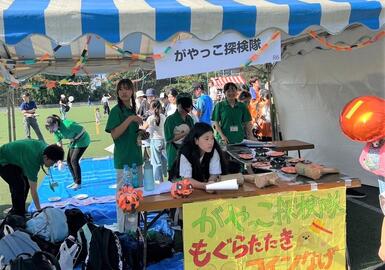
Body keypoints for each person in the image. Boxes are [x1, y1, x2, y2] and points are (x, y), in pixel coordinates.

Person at [105, 78, 144, 233]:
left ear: (132, 91)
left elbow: (129, 134)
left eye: (127, 88)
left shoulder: (131, 109)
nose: (124, 92)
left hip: (136, 159)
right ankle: (123, 233)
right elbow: (115, 135)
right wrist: (130, 119)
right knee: (124, 199)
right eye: (121, 89)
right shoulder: (117, 111)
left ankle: (133, 231)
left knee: (135, 198)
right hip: (124, 162)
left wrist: (141, 134)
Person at [0, 139, 64, 216]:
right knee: (18, 185)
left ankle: (18, 209)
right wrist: (39, 210)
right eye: (53, 162)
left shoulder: (47, 149)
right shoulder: (33, 160)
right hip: (3, 160)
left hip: (16, 159)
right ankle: (17, 214)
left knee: (25, 183)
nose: (53, 165)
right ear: (45, 157)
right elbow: (33, 191)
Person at [172, 123, 227, 190]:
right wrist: (204, 186)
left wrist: (211, 181)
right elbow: (186, 179)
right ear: (196, 141)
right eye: (206, 139)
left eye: (212, 138)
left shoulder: (213, 151)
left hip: (204, 185)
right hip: (185, 188)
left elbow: (214, 173)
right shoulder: (186, 153)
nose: (210, 142)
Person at [45, 115, 91, 190]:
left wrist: (75, 138)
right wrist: (59, 159)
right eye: (49, 128)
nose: (51, 129)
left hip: (83, 140)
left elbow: (82, 129)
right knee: (69, 161)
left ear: (56, 123)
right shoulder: (56, 132)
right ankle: (75, 181)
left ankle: (78, 183)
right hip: (74, 142)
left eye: (51, 127)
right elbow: (59, 145)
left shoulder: (68, 126)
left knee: (74, 160)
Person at [164, 94, 195, 177]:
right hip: (174, 154)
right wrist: (185, 133)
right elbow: (169, 139)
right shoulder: (170, 120)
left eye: (189, 107)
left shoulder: (190, 119)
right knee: (175, 181)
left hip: (187, 153)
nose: (189, 109)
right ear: (179, 106)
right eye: (187, 107)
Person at [144, 100, 167, 182]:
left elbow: (144, 128)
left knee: (156, 163)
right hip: (164, 141)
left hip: (155, 141)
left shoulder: (150, 118)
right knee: (164, 160)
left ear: (151, 108)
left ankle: (158, 180)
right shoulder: (163, 116)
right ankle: (164, 176)